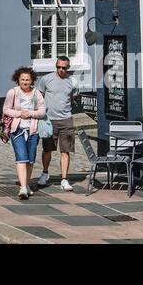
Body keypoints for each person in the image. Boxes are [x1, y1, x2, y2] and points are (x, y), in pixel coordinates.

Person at [36, 56, 81, 191]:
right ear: (56, 66)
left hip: (66, 119)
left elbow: (74, 97)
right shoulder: (46, 79)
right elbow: (40, 97)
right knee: (47, 149)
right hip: (49, 120)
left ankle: (64, 179)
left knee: (65, 150)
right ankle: (45, 173)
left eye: (64, 68)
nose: (61, 70)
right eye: (59, 67)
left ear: (68, 68)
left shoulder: (72, 81)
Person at [3, 67, 46, 199]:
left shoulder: (37, 94)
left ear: (32, 80)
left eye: (27, 79)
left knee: (30, 160)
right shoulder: (13, 92)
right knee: (21, 158)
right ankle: (22, 188)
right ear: (18, 80)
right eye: (22, 79)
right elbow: (6, 109)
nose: (25, 82)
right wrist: (19, 113)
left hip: (33, 130)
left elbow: (42, 111)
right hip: (17, 130)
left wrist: (31, 113)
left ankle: (26, 184)